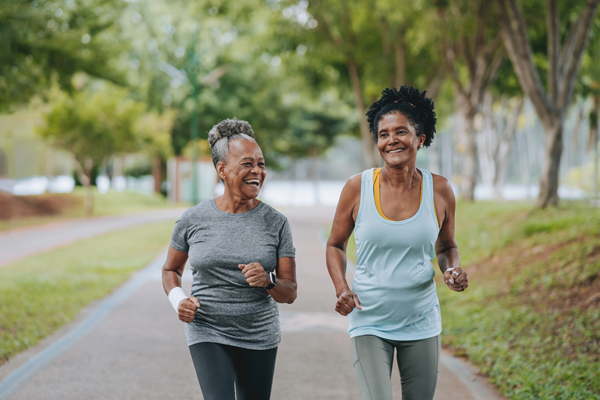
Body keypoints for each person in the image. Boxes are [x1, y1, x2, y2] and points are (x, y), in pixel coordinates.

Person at [326, 86, 469, 400]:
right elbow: (335, 244)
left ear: (420, 138)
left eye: (401, 131)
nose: (391, 140)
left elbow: (446, 247)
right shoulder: (357, 187)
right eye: (383, 134)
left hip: (420, 318)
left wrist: (452, 270)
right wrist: (341, 288)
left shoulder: (440, 189)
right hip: (369, 318)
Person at [162, 118, 297, 400]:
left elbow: (290, 292)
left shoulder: (277, 223)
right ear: (221, 169)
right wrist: (179, 300)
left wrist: (268, 281)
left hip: (258, 333)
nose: (257, 171)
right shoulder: (193, 219)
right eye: (247, 163)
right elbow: (171, 269)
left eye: (261, 164)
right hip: (206, 327)